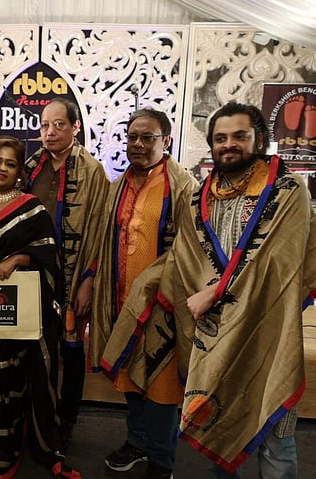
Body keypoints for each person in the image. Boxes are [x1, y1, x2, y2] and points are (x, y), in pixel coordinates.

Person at [106, 102, 316, 478]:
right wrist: (147, 287)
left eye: (239, 136)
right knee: (220, 426)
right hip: (214, 335)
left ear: (259, 139)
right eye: (220, 138)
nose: (229, 145)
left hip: (267, 330)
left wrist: (214, 292)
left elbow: (274, 260)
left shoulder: (287, 190)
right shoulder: (202, 196)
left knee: (274, 439)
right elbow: (184, 257)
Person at [0, 136, 81, 479]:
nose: (2, 168)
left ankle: (13, 438)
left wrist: (18, 259)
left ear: (20, 171)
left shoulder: (31, 208)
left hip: (18, 306)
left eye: (10, 163)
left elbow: (48, 254)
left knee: (13, 372)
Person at [90, 108, 197, 479]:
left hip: (162, 305)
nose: (137, 144)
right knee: (130, 376)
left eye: (147, 137)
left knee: (162, 387)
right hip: (122, 301)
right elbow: (103, 239)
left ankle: (161, 461)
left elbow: (190, 250)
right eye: (132, 137)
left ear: (166, 141)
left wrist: (155, 288)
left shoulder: (182, 187)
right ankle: (137, 442)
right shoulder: (118, 185)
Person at [24, 97, 109, 448]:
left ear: (75, 127)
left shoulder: (92, 171)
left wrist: (89, 279)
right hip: (33, 275)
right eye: (45, 125)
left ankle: (68, 418)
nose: (50, 132)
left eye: (59, 124)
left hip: (74, 275)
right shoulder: (30, 167)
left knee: (71, 350)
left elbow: (101, 230)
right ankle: (38, 415)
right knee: (34, 346)